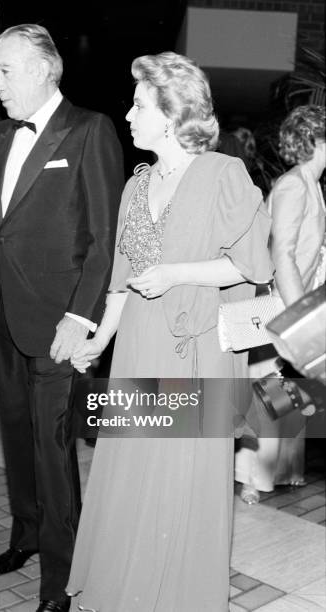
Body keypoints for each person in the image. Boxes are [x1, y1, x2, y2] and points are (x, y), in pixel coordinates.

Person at [66, 52, 273, 612]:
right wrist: (100, 340)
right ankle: (126, 591)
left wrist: (178, 274)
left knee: (183, 479)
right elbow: (121, 279)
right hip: (138, 346)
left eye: (139, 105)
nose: (129, 115)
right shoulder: (137, 185)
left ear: (172, 112)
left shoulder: (223, 174)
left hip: (196, 350)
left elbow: (253, 266)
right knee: (134, 473)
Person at [0, 24, 123, 612]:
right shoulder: (2, 135)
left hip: (59, 325)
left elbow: (104, 241)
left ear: (39, 69)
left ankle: (62, 577)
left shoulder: (89, 130)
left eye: (3, 71)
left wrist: (81, 319)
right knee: (18, 438)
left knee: (55, 451)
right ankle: (26, 536)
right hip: (4, 316)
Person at [235, 104, 326, 504]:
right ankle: (250, 478)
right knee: (270, 393)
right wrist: (299, 316)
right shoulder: (293, 185)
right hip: (278, 308)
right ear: (318, 140)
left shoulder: (309, 183)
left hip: (294, 300)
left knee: (288, 393)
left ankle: (278, 471)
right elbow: (282, 254)